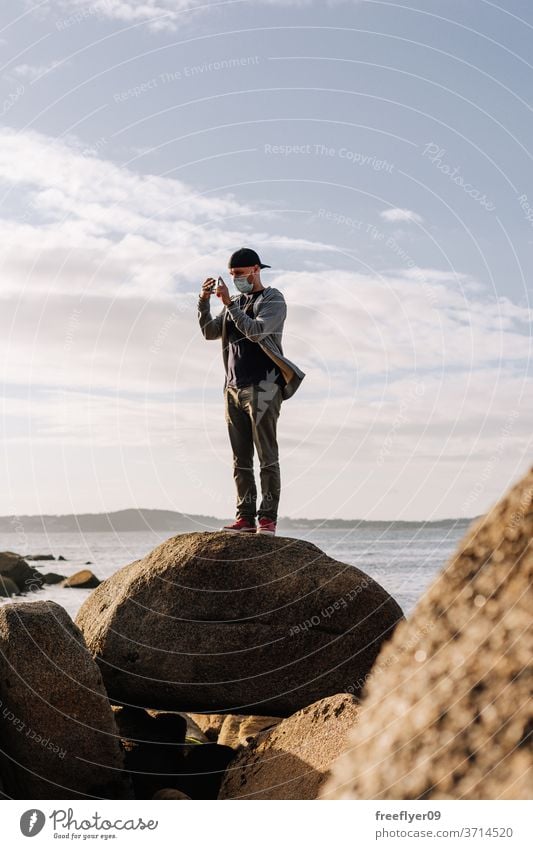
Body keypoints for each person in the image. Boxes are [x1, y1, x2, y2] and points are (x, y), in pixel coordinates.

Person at [198, 247, 306, 535]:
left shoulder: (273, 299)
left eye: (240, 274)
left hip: (264, 386)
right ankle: (245, 517)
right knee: (240, 459)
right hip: (232, 388)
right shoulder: (233, 303)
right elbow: (210, 332)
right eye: (232, 275)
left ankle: (267, 519)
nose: (236, 280)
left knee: (266, 456)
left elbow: (257, 331)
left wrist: (230, 305)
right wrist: (204, 301)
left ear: (256, 270)